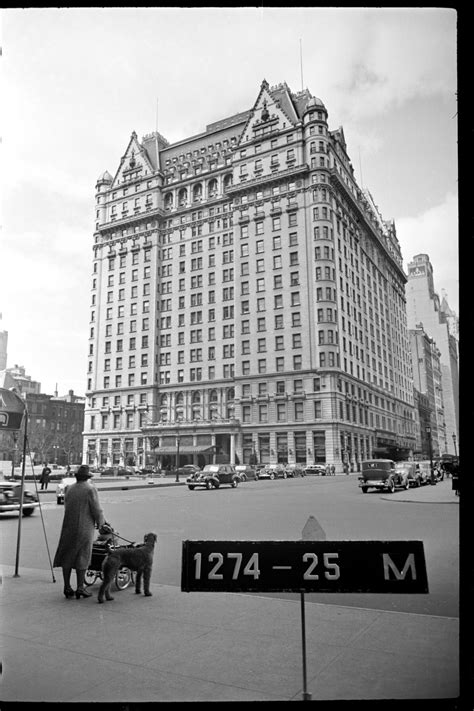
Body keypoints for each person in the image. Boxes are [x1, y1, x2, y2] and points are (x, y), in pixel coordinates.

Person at [53, 464, 105, 599]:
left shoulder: (69, 488)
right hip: (84, 527)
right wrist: (101, 523)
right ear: (87, 477)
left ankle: (67, 587)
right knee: (83, 555)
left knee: (67, 555)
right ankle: (80, 588)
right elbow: (96, 509)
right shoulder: (90, 489)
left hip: (68, 525)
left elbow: (67, 505)